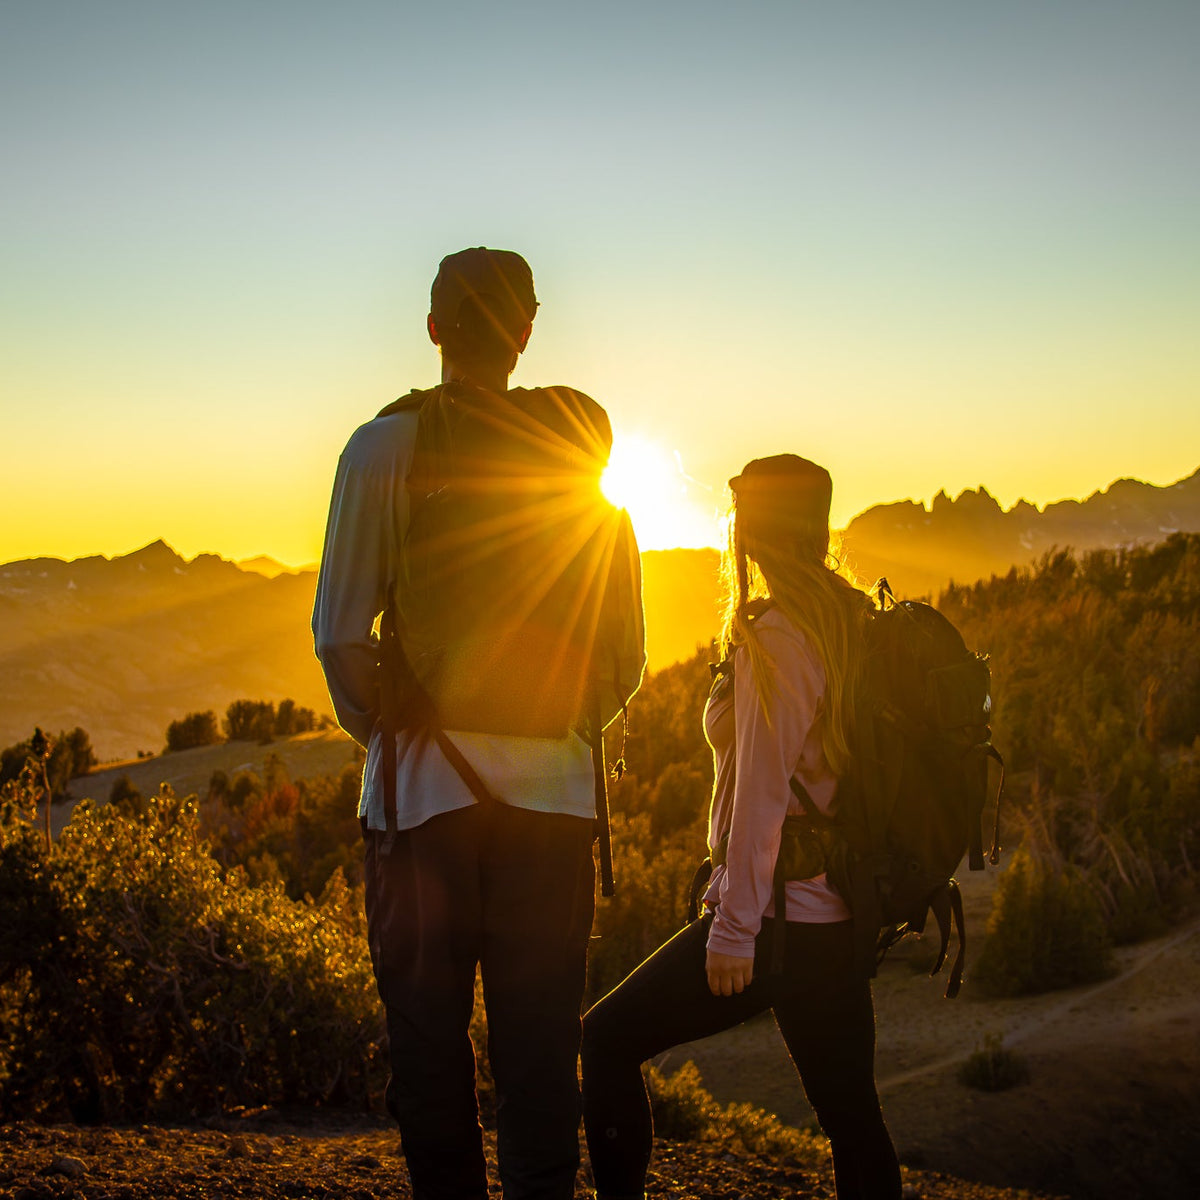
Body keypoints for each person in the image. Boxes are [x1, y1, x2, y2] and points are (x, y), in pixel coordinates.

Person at [313, 247, 645, 1200]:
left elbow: (340, 636)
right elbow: (621, 660)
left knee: (428, 1044)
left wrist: (397, 731)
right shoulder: (584, 469)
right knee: (542, 1047)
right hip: (557, 802)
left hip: (424, 802)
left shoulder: (386, 448)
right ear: (528, 330)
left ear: (431, 330)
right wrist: (546, 727)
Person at [580, 453, 902, 1200]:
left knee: (604, 1040)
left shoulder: (781, 638)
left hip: (780, 923)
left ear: (752, 531)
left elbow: (761, 791)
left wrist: (733, 931)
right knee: (853, 1116)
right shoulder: (849, 619)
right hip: (836, 915)